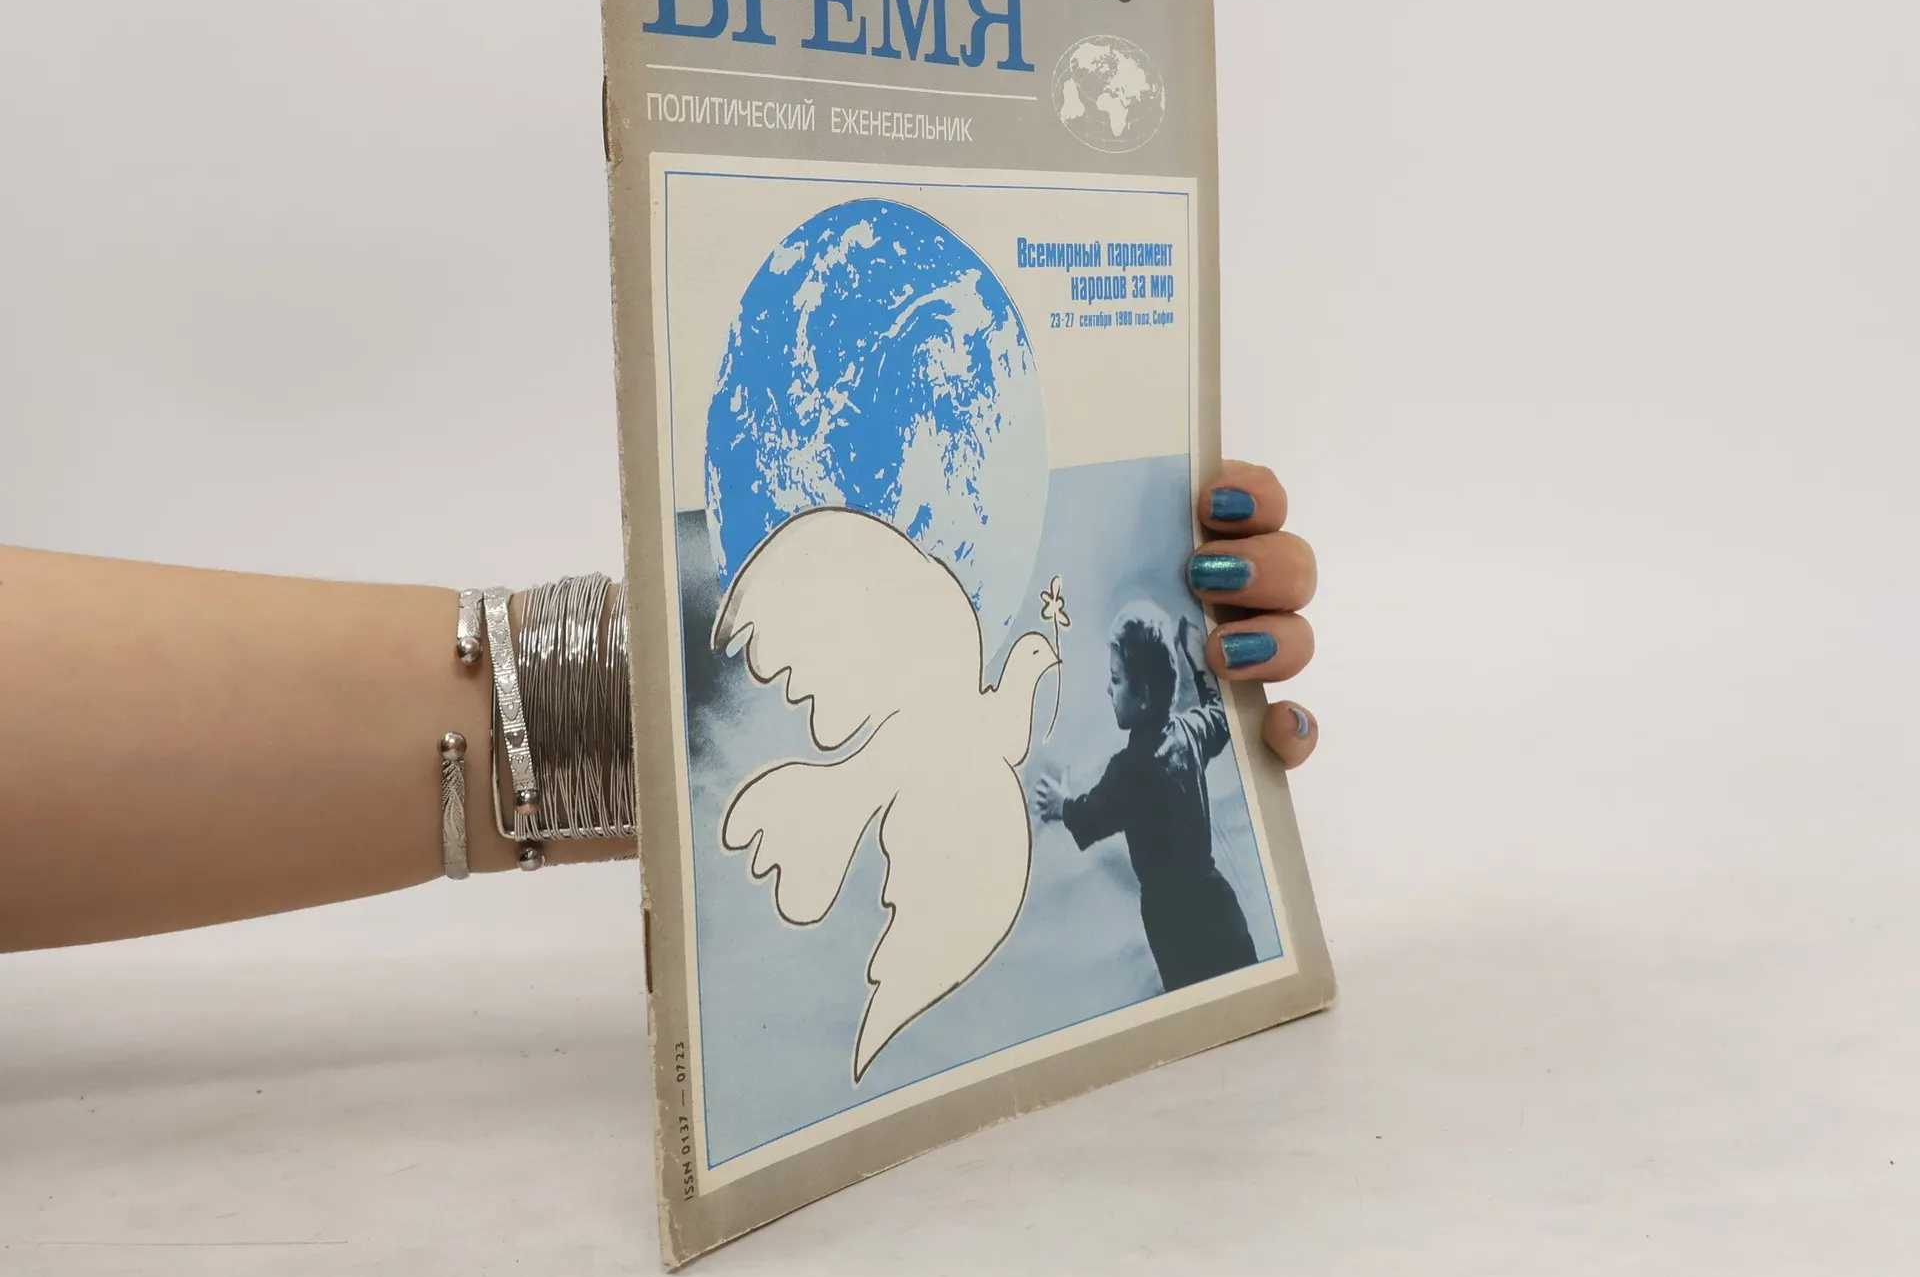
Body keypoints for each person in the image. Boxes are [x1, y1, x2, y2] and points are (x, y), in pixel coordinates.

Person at [0, 462, 1316, 954]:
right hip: (1199, 920)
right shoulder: (1172, 743)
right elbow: (1132, 768)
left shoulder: (1149, 753)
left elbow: (1078, 803)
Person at [1029, 604, 1260, 992]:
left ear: (1144, 697)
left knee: (1197, 1001)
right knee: (1249, 988)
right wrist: (1198, 665)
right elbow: (1219, 716)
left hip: (1173, 922)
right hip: (1217, 904)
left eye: (1116, 680)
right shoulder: (1190, 732)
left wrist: (1059, 803)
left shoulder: (1130, 770)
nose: (1108, 688)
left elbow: (1090, 817)